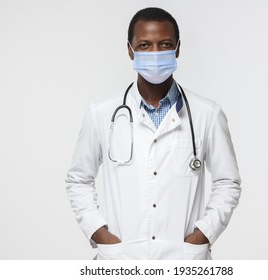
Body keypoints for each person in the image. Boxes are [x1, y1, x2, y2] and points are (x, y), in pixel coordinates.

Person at [66, 7, 241, 260]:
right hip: (121, 259)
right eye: (145, 45)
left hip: (183, 260)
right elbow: (78, 179)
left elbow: (228, 182)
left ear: (178, 48)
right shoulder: (101, 113)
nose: (156, 53)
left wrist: (202, 235)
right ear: (130, 50)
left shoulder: (207, 114)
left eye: (165, 44)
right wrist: (99, 233)